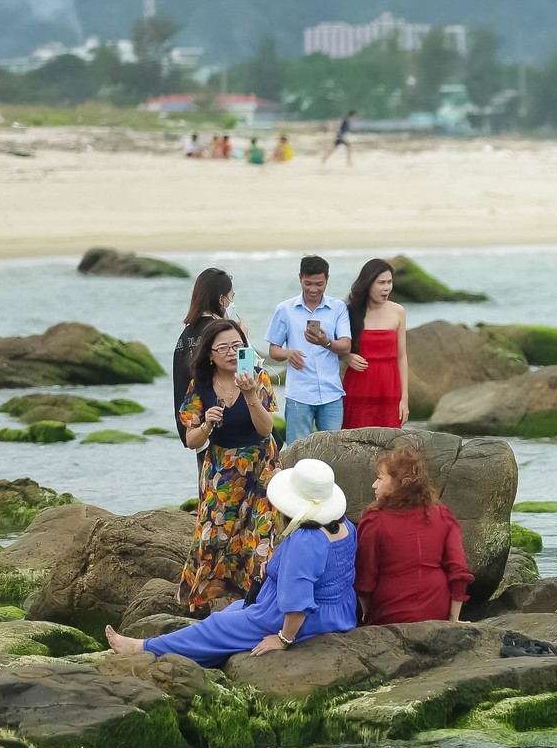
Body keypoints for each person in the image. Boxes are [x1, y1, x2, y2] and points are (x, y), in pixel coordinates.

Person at [106, 459, 358, 666]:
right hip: (338, 611)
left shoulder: (307, 540)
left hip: (297, 619)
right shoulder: (344, 525)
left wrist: (283, 639)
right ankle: (202, 658)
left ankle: (142, 648)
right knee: (232, 611)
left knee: (218, 624)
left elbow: (298, 603)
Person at [175, 319, 280, 611]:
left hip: (261, 467)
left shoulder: (258, 378)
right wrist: (207, 423)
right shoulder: (201, 386)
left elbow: (265, 429)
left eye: (237, 346)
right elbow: (192, 440)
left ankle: (259, 601)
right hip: (222, 469)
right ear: (210, 354)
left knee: (260, 535)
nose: (232, 352)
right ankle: (207, 599)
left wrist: (250, 396)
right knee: (214, 535)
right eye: (223, 348)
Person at [354, 447, 470, 625]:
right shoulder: (443, 515)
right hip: (437, 608)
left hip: (391, 611)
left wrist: (367, 614)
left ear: (401, 482)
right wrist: (454, 618)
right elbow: (459, 570)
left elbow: (365, 579)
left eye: (379, 478)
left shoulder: (374, 520)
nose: (374, 485)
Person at [266, 255, 353, 439]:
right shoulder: (285, 309)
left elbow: (346, 346)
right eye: (308, 283)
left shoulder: (338, 308)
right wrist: (288, 353)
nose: (313, 289)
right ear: (300, 278)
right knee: (298, 450)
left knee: (332, 451)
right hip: (299, 394)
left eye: (319, 284)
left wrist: (325, 341)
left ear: (327, 280)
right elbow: (273, 351)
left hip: (332, 393)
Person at [172, 267, 240, 446]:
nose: (232, 302)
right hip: (224, 423)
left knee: (207, 473)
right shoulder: (220, 332)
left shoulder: (186, 334)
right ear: (221, 299)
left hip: (195, 427)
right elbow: (242, 372)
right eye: (231, 297)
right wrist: (243, 341)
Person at [340, 257, 410, 428]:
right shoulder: (349, 311)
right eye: (381, 283)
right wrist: (347, 356)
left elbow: (402, 356)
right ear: (368, 284)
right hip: (358, 388)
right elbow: (333, 349)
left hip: (390, 389)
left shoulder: (398, 311)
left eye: (389, 282)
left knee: (390, 447)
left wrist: (404, 398)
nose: (386, 288)